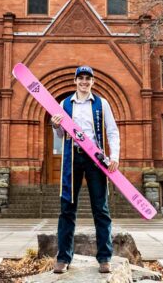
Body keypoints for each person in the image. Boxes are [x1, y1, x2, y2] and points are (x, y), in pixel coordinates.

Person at [50, 65, 120, 274]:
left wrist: (114, 157)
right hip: (72, 158)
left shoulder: (102, 103)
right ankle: (63, 258)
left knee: (101, 209)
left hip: (96, 159)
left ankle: (105, 258)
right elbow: (62, 135)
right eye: (80, 78)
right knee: (67, 209)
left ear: (92, 81)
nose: (84, 82)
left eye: (87, 79)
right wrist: (56, 126)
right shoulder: (64, 103)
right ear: (75, 81)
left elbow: (112, 131)